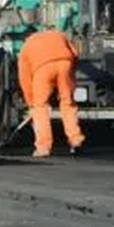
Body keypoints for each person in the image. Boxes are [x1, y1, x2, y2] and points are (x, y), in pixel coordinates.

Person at [17, 12, 85, 158]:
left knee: (40, 107)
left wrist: (30, 101)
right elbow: (74, 54)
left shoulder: (26, 47)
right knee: (68, 103)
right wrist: (71, 79)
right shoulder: (58, 35)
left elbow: (24, 78)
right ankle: (76, 139)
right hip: (65, 63)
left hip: (42, 69)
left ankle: (43, 147)